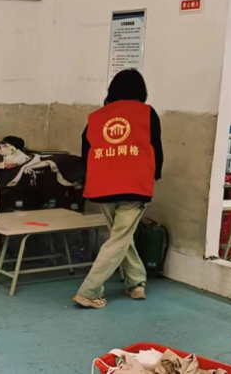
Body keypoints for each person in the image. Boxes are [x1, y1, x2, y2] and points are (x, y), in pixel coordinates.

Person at [74, 69, 163, 309]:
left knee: (120, 237)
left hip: (103, 186)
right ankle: (89, 291)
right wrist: (154, 175)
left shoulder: (96, 117)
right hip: (134, 186)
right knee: (120, 239)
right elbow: (155, 148)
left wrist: (92, 176)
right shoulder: (147, 113)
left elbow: (86, 151)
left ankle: (136, 283)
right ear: (141, 90)